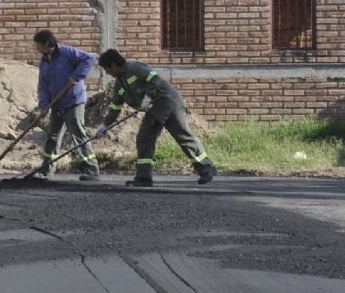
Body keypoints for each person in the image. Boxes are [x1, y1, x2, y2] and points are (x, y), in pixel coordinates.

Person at [96, 49, 217, 187]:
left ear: (113, 65)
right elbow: (115, 106)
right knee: (144, 138)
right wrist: (105, 125)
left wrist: (147, 99)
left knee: (182, 135)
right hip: (154, 108)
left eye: (106, 69)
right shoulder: (119, 84)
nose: (107, 73)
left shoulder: (134, 67)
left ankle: (206, 168)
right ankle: (144, 177)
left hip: (168, 101)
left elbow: (155, 79)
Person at [33, 30, 101, 181]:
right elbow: (43, 85)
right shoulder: (44, 62)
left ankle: (92, 168)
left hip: (73, 101)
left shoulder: (66, 52)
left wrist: (76, 77)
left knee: (78, 134)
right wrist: (44, 106)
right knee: (52, 135)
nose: (36, 48)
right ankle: (47, 169)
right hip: (56, 104)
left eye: (38, 44)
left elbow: (89, 59)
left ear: (46, 43)